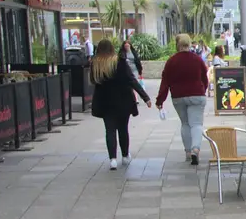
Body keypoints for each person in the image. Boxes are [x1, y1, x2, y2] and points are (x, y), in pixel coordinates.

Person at [89, 38, 151, 169]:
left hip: (105, 102)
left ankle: (112, 159)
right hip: (123, 100)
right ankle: (125, 156)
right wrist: (145, 97)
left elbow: (93, 81)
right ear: (112, 48)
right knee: (123, 129)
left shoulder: (96, 64)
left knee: (109, 130)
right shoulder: (119, 62)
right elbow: (131, 80)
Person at [157, 32, 210, 166]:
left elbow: (165, 82)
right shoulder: (197, 60)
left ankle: (187, 152)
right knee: (196, 124)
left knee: (185, 123)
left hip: (178, 96)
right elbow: (205, 78)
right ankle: (195, 149)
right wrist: (202, 91)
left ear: (177, 45)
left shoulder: (171, 61)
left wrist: (160, 100)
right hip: (197, 94)